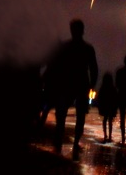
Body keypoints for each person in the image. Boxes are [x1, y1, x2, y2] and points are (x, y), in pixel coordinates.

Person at [42, 19, 98, 156]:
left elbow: (54, 65)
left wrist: (48, 80)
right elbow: (94, 68)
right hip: (81, 83)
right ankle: (75, 143)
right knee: (79, 115)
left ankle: (59, 142)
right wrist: (92, 84)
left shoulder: (65, 47)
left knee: (61, 114)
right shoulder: (87, 48)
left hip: (66, 83)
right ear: (82, 30)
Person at [96, 71, 118, 143]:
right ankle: (110, 134)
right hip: (111, 106)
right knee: (110, 121)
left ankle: (105, 134)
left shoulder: (103, 88)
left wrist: (99, 106)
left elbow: (99, 98)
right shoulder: (113, 88)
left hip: (104, 106)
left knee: (105, 120)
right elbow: (115, 98)